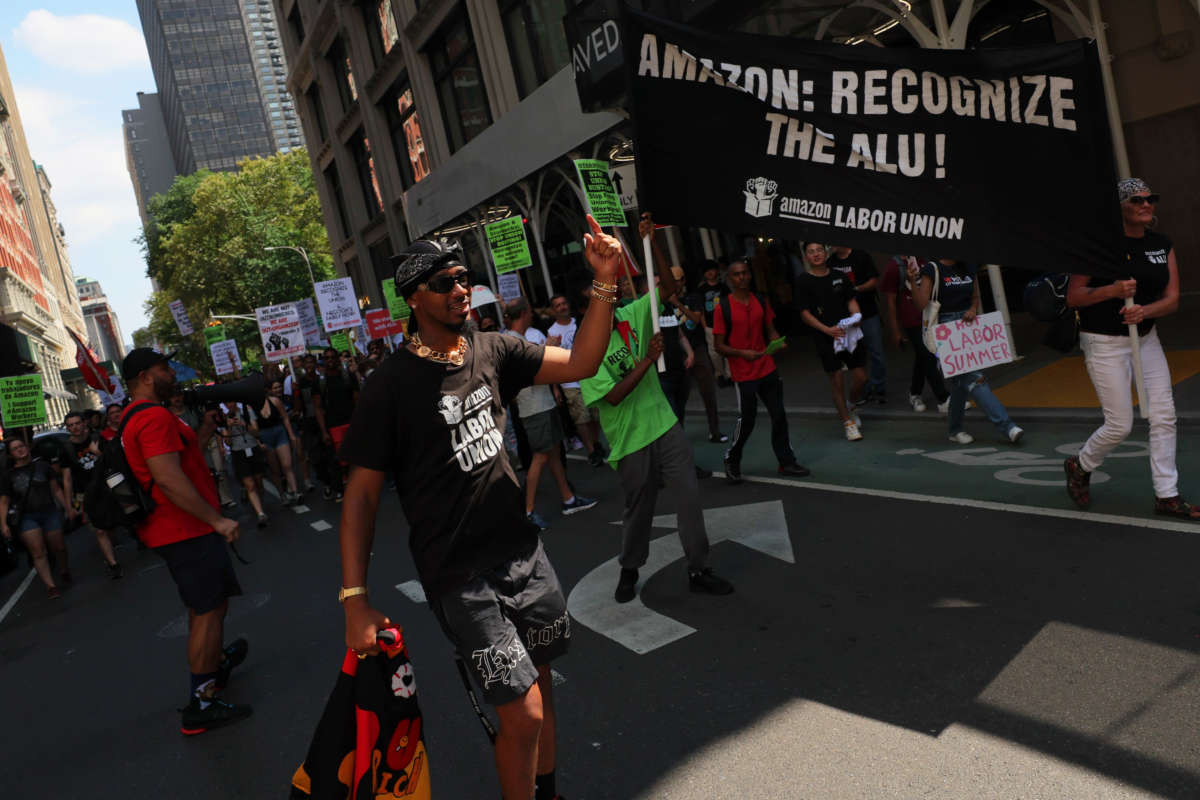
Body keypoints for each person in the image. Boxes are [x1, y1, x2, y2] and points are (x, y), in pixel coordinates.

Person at [337, 218, 621, 800]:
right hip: (461, 576)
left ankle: (547, 789)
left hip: (524, 553)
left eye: (463, 277)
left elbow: (584, 363)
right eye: (443, 282)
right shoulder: (388, 388)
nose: (459, 289)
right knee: (524, 713)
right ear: (413, 298)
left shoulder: (494, 349)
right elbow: (362, 496)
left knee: (541, 683)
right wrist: (355, 599)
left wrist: (606, 283)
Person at [581, 213, 732, 604]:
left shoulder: (632, 316)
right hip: (630, 442)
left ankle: (700, 568)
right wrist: (647, 361)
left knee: (689, 497)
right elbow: (612, 397)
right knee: (639, 511)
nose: (613, 293)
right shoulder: (585, 349)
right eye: (606, 288)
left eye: (614, 287)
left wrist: (654, 243)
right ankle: (629, 568)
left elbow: (666, 287)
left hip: (664, 426)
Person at [119, 348, 250, 735]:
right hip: (186, 529)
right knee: (207, 611)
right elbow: (169, 479)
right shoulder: (154, 417)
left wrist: (206, 430)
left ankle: (214, 665)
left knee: (208, 605)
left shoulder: (135, 416)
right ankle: (201, 703)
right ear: (145, 377)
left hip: (181, 529)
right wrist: (216, 520)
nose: (171, 372)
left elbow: (181, 460)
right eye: (163, 368)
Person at [1064, 178, 1196, 519]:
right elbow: (1074, 297)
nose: (1146, 204)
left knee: (1164, 416)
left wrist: (1144, 311)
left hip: (1147, 338)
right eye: (1136, 200)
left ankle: (1167, 494)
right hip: (1104, 342)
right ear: (1118, 207)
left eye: (1150, 198)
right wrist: (1112, 290)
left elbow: (1172, 299)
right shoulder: (1098, 245)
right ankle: (1081, 464)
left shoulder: (1161, 244)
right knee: (1120, 424)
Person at [504, 298, 597, 529]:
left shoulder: (519, 339)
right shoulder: (512, 341)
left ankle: (569, 499)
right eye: (530, 313)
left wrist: (547, 350)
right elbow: (530, 372)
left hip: (542, 405)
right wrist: (550, 350)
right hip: (534, 409)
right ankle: (528, 511)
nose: (533, 316)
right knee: (541, 456)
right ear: (525, 313)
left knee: (554, 451)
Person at [714, 259, 810, 481]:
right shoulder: (723, 308)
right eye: (737, 274)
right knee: (747, 420)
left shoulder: (760, 300)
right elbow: (718, 346)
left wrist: (778, 342)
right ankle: (732, 458)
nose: (742, 277)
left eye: (745, 273)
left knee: (779, 415)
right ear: (730, 279)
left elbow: (771, 330)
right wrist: (742, 353)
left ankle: (787, 462)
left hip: (766, 367)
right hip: (743, 372)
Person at [913, 258, 1024, 445]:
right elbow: (921, 305)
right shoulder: (932, 269)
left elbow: (975, 297)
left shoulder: (968, 266)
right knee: (975, 379)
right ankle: (1007, 426)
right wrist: (911, 282)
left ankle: (954, 430)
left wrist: (973, 309)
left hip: (967, 327)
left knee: (960, 384)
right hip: (946, 330)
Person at [795, 242, 868, 440]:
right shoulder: (803, 281)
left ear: (826, 253)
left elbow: (851, 301)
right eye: (811, 252)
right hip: (824, 336)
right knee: (836, 380)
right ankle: (848, 424)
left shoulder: (839, 276)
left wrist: (856, 316)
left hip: (848, 333)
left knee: (861, 377)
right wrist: (826, 330)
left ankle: (851, 405)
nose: (816, 254)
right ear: (807, 257)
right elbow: (804, 314)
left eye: (819, 250)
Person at [0, 436, 69, 597]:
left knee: (59, 547)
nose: (20, 450)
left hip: (49, 512)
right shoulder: (8, 476)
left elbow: (56, 489)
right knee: (38, 552)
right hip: (26, 517)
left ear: (27, 447)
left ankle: (64, 569)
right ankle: (51, 586)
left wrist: (68, 507)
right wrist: (3, 524)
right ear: (11, 455)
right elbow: (4, 501)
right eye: (15, 449)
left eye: (21, 446)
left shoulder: (43, 466)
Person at [881, 255, 949, 414]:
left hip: (930, 315)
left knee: (922, 357)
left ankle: (914, 393)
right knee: (928, 354)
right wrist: (895, 330)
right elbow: (890, 302)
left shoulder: (925, 260)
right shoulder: (894, 266)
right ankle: (943, 398)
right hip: (911, 320)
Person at [547, 293, 608, 467]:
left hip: (591, 377)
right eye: (558, 305)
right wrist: (556, 388)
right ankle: (591, 450)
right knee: (581, 418)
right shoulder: (552, 331)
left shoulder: (579, 322)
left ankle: (595, 443)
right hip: (569, 381)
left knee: (595, 415)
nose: (562, 307)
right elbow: (551, 360)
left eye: (564, 303)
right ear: (553, 310)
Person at [64, 411, 121, 578]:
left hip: (106, 487)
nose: (75, 427)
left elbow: (112, 461)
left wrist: (97, 453)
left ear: (84, 423)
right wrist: (69, 505)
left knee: (110, 525)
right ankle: (113, 564)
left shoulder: (98, 438)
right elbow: (67, 479)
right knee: (99, 530)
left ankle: (112, 541)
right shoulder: (66, 449)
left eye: (77, 423)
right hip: (85, 494)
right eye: (70, 425)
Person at [829, 245, 886, 403]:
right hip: (846, 319)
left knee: (877, 352)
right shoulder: (830, 262)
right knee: (857, 355)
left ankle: (878, 388)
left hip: (868, 313)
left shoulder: (861, 255)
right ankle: (865, 389)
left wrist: (855, 289)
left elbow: (874, 281)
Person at [677, 266, 727, 443]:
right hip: (677, 354)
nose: (675, 284)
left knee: (708, 393)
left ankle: (715, 431)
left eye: (678, 280)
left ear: (683, 280)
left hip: (697, 349)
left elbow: (696, 319)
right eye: (672, 280)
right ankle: (678, 438)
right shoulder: (661, 302)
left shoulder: (693, 297)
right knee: (678, 397)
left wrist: (677, 303)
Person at [317, 346, 358, 502]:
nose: (330, 360)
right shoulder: (320, 381)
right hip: (333, 425)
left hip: (351, 421)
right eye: (326, 358)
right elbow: (319, 408)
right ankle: (342, 487)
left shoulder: (348, 376)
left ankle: (357, 485)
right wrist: (324, 431)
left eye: (332, 357)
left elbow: (357, 399)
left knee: (355, 455)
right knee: (341, 458)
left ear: (337, 358)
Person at [222, 403, 270, 527]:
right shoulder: (224, 418)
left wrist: (244, 425)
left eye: (231, 402)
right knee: (250, 485)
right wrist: (229, 427)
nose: (230, 405)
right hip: (238, 453)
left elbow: (256, 431)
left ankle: (261, 503)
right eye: (227, 403)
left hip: (253, 448)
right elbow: (227, 441)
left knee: (259, 481)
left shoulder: (247, 411)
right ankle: (260, 513)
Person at [258, 380, 300, 504]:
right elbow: (251, 425)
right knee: (275, 470)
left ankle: (295, 491)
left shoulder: (275, 401)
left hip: (279, 432)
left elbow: (285, 418)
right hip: (265, 436)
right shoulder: (252, 406)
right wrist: (258, 441)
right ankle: (282, 495)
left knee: (287, 465)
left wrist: (291, 434)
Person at [289, 353, 322, 494]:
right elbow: (297, 408)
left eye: (311, 363)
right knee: (315, 456)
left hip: (324, 421)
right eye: (306, 363)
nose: (309, 366)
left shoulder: (322, 379)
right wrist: (295, 392)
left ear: (315, 364)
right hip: (309, 422)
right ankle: (324, 479)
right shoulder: (301, 383)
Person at [696, 260, 732, 384]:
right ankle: (720, 373)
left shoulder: (723, 287)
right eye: (707, 271)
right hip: (710, 326)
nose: (710, 273)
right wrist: (705, 326)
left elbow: (730, 304)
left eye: (712, 269)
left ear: (717, 271)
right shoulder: (701, 290)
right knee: (714, 353)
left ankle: (729, 375)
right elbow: (700, 309)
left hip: (725, 323)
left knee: (728, 349)